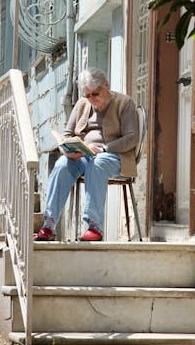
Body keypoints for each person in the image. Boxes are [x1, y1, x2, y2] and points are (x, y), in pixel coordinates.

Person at [34, 67, 138, 242]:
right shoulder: (83, 104)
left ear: (106, 85)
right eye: (87, 95)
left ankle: (94, 226)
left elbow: (131, 138)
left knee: (97, 163)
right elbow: (67, 134)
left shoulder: (124, 103)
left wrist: (104, 148)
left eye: (95, 94)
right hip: (83, 155)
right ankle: (49, 224)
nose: (91, 99)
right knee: (61, 165)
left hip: (114, 156)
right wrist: (67, 150)